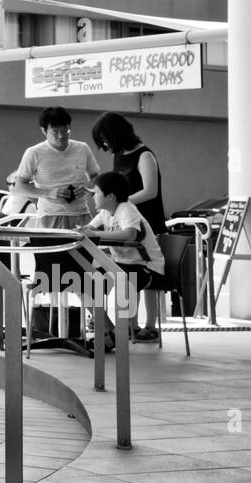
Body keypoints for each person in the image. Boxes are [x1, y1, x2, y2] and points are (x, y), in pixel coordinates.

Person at [91, 112, 166, 338]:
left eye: (105, 139)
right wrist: (112, 204)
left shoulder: (144, 156)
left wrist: (119, 202)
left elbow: (150, 191)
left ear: (116, 134)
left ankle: (151, 326)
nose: (104, 144)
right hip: (122, 218)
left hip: (146, 220)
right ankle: (131, 327)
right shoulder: (119, 156)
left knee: (147, 274)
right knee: (127, 269)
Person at [79, 171, 166, 347]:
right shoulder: (105, 212)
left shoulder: (126, 208)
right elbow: (89, 229)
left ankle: (116, 335)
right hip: (121, 266)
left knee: (123, 285)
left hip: (147, 267)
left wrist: (95, 234)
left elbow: (130, 234)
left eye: (95, 192)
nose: (92, 196)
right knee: (83, 284)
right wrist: (82, 231)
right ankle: (112, 331)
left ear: (110, 196)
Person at [12, 106, 100, 229]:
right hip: (50, 216)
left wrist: (86, 188)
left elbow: (95, 177)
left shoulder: (82, 148)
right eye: (55, 131)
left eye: (65, 130)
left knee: (86, 248)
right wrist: (49, 193)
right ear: (44, 130)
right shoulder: (34, 152)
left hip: (82, 214)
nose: (61, 136)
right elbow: (20, 187)